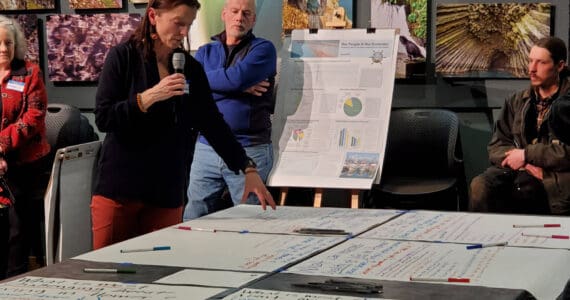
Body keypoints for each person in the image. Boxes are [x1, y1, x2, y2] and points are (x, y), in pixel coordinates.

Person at [92, 0, 275, 250]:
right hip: (121, 189)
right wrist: (147, 98)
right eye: (178, 24)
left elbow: (211, 122)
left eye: (188, 25)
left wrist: (247, 167)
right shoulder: (123, 56)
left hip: (166, 191)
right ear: (154, 16)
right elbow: (104, 117)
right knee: (111, 272)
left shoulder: (189, 67)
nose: (184, 33)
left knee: (161, 274)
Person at [184, 0, 277, 220]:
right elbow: (190, 88)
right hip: (206, 147)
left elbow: (236, 79)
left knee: (251, 218)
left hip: (249, 149)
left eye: (246, 13)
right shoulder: (205, 51)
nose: (239, 17)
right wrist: (239, 88)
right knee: (194, 216)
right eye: (234, 12)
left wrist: (211, 83)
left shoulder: (264, 49)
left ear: (253, 19)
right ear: (224, 15)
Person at [469, 36, 570, 215]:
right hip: (516, 171)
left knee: (527, 192)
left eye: (541, 63)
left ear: (559, 66)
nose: (531, 69)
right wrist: (521, 163)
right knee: (479, 186)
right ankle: (482, 237)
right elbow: (497, 145)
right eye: (530, 61)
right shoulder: (517, 100)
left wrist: (526, 154)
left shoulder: (566, 105)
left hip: (552, 177)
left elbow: (567, 152)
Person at [0, 15, 51, 278]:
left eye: (8, 42)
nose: (3, 49)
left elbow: (33, 118)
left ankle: (15, 283)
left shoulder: (30, 72)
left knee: (17, 232)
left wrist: (1, 146)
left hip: (24, 165)